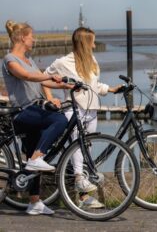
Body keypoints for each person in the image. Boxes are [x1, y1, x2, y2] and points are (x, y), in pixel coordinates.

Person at [44, 26, 122, 209]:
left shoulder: (92, 60)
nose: (95, 45)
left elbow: (93, 84)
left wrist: (110, 89)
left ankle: (83, 196)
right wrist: (50, 97)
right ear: (85, 43)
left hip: (92, 110)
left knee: (86, 148)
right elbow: (44, 76)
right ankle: (79, 180)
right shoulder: (64, 61)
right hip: (75, 109)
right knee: (78, 145)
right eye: (92, 42)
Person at [2, 20, 69, 215]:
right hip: (22, 112)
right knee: (59, 120)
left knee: (34, 154)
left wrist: (67, 86)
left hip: (35, 111)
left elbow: (44, 80)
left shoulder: (30, 60)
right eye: (32, 36)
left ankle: (34, 203)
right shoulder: (10, 59)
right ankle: (36, 159)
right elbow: (28, 77)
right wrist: (50, 78)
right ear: (23, 37)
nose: (34, 40)